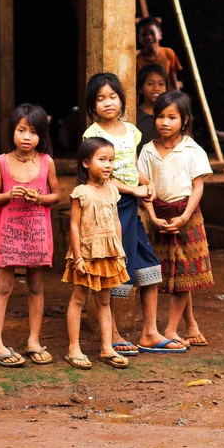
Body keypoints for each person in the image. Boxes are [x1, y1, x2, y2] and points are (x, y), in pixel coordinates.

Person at [83, 72, 186, 355]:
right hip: (109, 208)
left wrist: (145, 181)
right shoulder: (92, 135)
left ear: (122, 100)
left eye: (113, 97)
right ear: (92, 105)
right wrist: (134, 191)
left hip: (130, 206)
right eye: (100, 98)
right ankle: (113, 332)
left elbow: (129, 166)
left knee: (148, 264)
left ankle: (150, 332)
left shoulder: (132, 131)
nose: (108, 103)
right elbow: (99, 178)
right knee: (116, 268)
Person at [0, 104, 61, 367]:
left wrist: (39, 198)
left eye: (33, 132)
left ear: (42, 136)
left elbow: (56, 195)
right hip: (9, 235)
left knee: (36, 287)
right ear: (12, 131)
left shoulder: (46, 162)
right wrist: (7, 195)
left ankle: (34, 341)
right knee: (3, 286)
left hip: (36, 235)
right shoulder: (2, 162)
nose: (27, 137)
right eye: (21, 130)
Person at [138, 90, 214, 347]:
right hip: (160, 216)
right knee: (171, 271)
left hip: (187, 216)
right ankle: (190, 325)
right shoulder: (147, 151)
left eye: (172, 117)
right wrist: (151, 216)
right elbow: (145, 188)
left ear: (185, 120)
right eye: (160, 116)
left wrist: (184, 216)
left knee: (184, 273)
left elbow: (198, 187)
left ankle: (170, 329)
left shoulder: (192, 149)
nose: (165, 122)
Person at [61, 138, 130, 370]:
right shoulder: (81, 192)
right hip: (87, 254)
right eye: (102, 159)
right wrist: (78, 257)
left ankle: (107, 347)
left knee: (104, 300)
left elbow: (117, 222)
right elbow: (74, 226)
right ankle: (74, 349)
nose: (108, 164)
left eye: (111, 160)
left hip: (109, 254)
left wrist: (119, 252)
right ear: (86, 163)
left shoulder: (112, 190)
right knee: (79, 299)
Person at [136, 17, 182, 90]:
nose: (149, 37)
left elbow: (174, 80)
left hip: (166, 98)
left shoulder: (168, 53)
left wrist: (178, 100)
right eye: (144, 35)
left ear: (160, 35)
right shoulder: (136, 59)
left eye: (152, 33)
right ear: (139, 38)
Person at [136, 64, 169, 155]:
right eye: (150, 84)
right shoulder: (134, 115)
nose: (156, 88)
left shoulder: (172, 115)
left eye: (161, 84)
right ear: (140, 88)